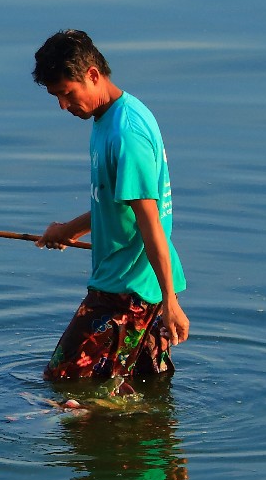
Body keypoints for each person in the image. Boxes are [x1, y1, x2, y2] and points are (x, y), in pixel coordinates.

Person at [32, 30, 189, 389]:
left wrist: (169, 302)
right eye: (55, 96)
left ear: (92, 74)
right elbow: (117, 204)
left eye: (66, 93)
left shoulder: (125, 134)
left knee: (65, 382)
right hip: (141, 285)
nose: (62, 105)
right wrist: (70, 229)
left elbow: (150, 221)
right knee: (142, 386)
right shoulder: (112, 118)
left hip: (127, 290)